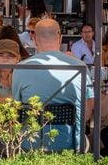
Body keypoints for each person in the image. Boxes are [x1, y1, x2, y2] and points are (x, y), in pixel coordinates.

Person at [11, 18, 87, 152]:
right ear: (60, 38)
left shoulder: (21, 68)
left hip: (30, 144)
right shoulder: (79, 67)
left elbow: (16, 107)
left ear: (34, 40)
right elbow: (89, 107)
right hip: (71, 144)